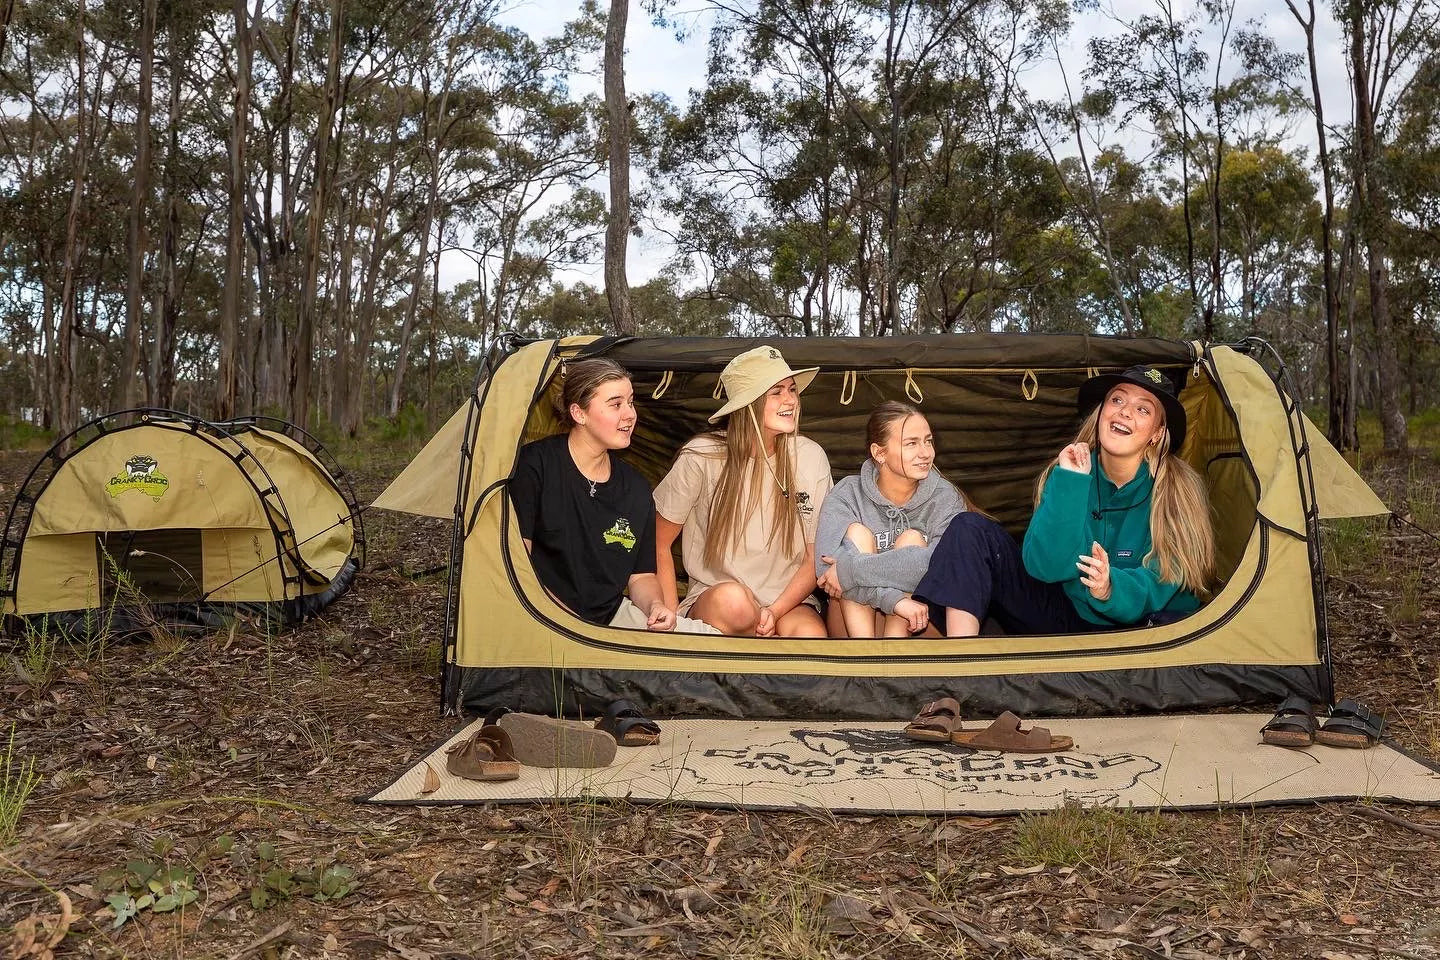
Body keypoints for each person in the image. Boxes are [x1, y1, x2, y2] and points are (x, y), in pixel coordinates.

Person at [915, 364, 1216, 636]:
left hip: (1138, 631)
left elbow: (1166, 579)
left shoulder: (1177, 489)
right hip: (1066, 616)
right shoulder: (1069, 470)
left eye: (1143, 410)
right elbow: (1045, 568)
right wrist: (1071, 484)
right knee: (970, 528)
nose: (1125, 411)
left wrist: (1111, 587)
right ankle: (963, 665)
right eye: (1117, 399)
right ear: (1101, 412)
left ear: (1156, 433)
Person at [509, 358, 717, 634]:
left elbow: (641, 577)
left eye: (631, 402)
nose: (630, 414)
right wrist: (566, 622)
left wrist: (655, 606)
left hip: (610, 617)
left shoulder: (635, 488)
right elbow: (517, 562)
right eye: (616, 404)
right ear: (578, 413)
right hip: (541, 614)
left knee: (710, 639)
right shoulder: (535, 466)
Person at [654, 345, 832, 637]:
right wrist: (672, 622)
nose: (791, 400)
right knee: (734, 604)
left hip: (788, 602)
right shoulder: (701, 456)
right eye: (777, 392)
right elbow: (658, 542)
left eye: (792, 390)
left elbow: (814, 557)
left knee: (809, 638)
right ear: (748, 403)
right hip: (717, 599)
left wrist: (773, 612)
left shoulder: (811, 457)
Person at [814, 402, 970, 637]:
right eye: (911, 443)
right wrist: (895, 602)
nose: (926, 453)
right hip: (854, 626)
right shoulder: (848, 493)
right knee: (857, 533)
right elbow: (826, 574)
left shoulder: (945, 498)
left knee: (911, 540)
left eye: (928, 441)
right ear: (879, 453)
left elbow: (935, 566)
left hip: (918, 624)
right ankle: (865, 658)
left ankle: (895, 653)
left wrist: (851, 571)